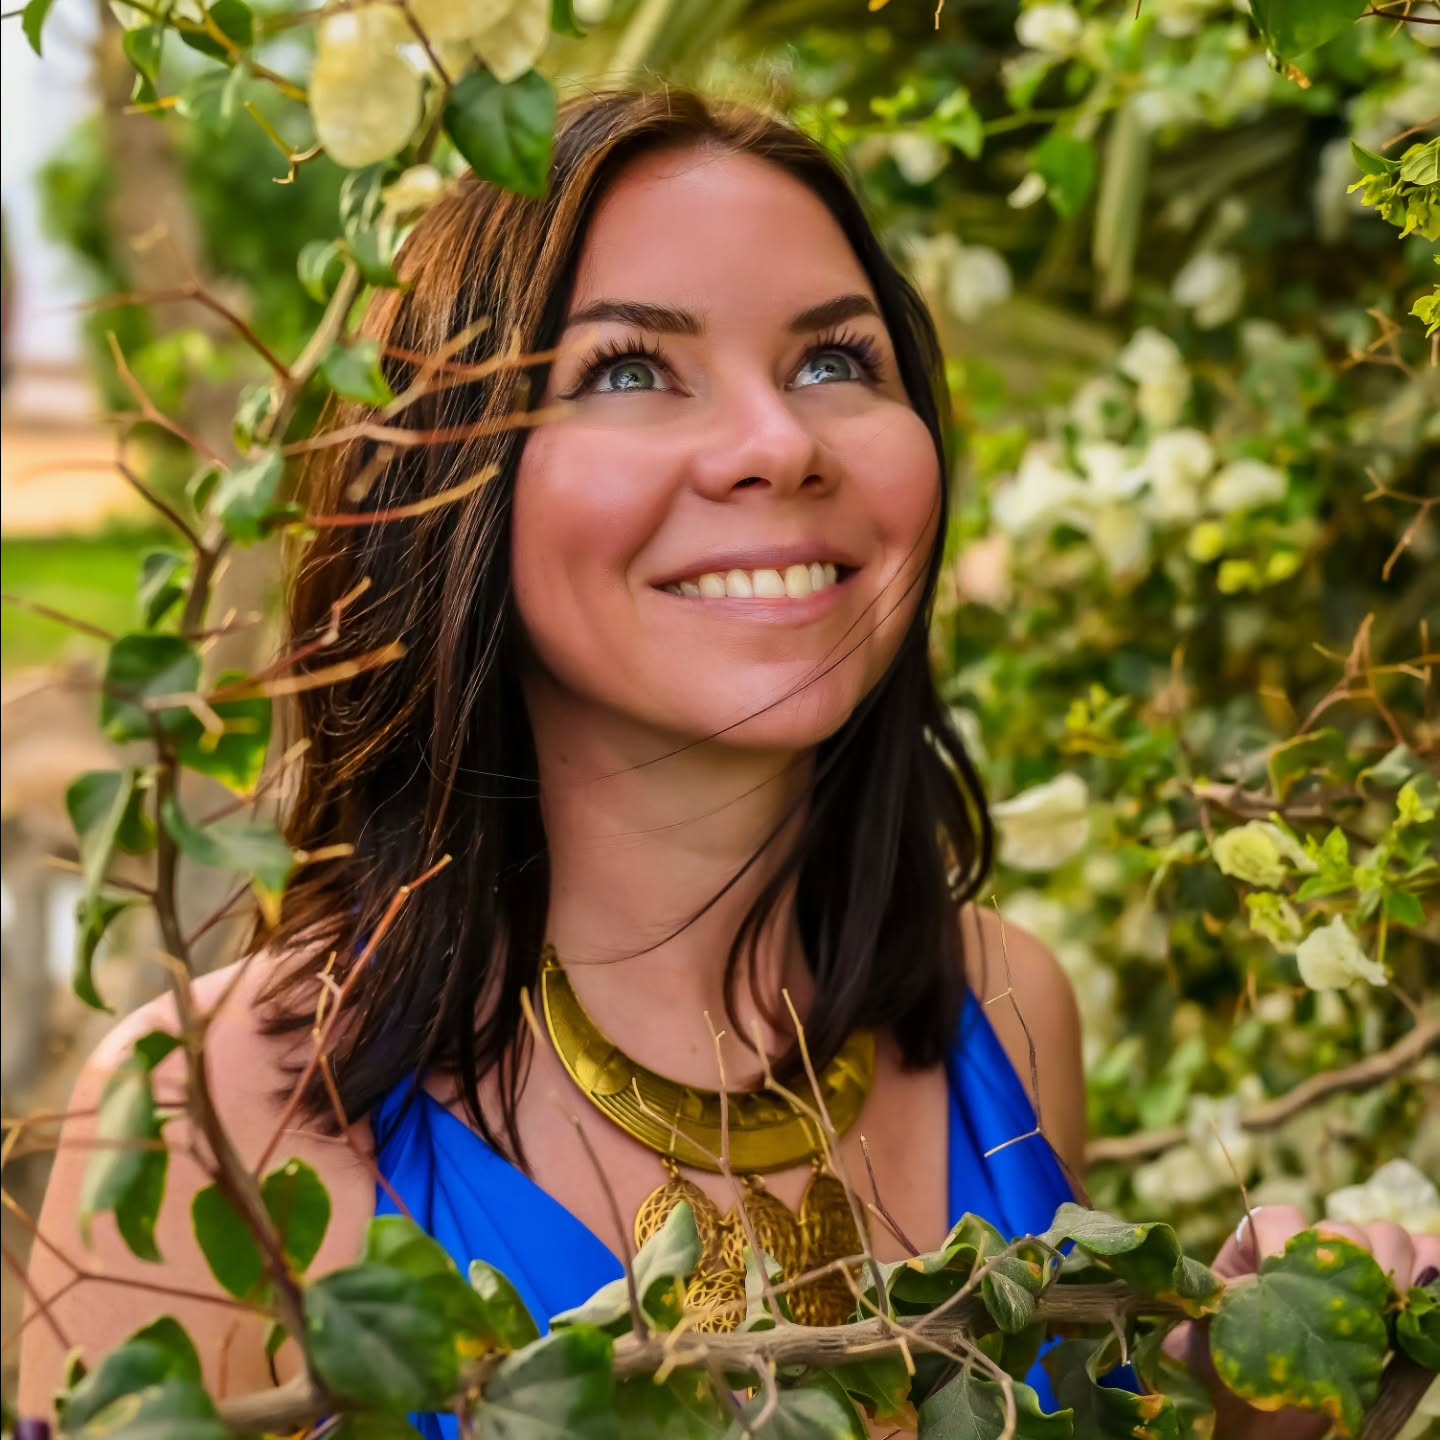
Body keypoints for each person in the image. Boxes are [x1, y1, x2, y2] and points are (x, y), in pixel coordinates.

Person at [20, 90, 1438, 1437]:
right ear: (446, 477)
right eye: (631, 368)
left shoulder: (999, 1015)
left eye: (836, 360)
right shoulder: (221, 1112)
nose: (779, 442)